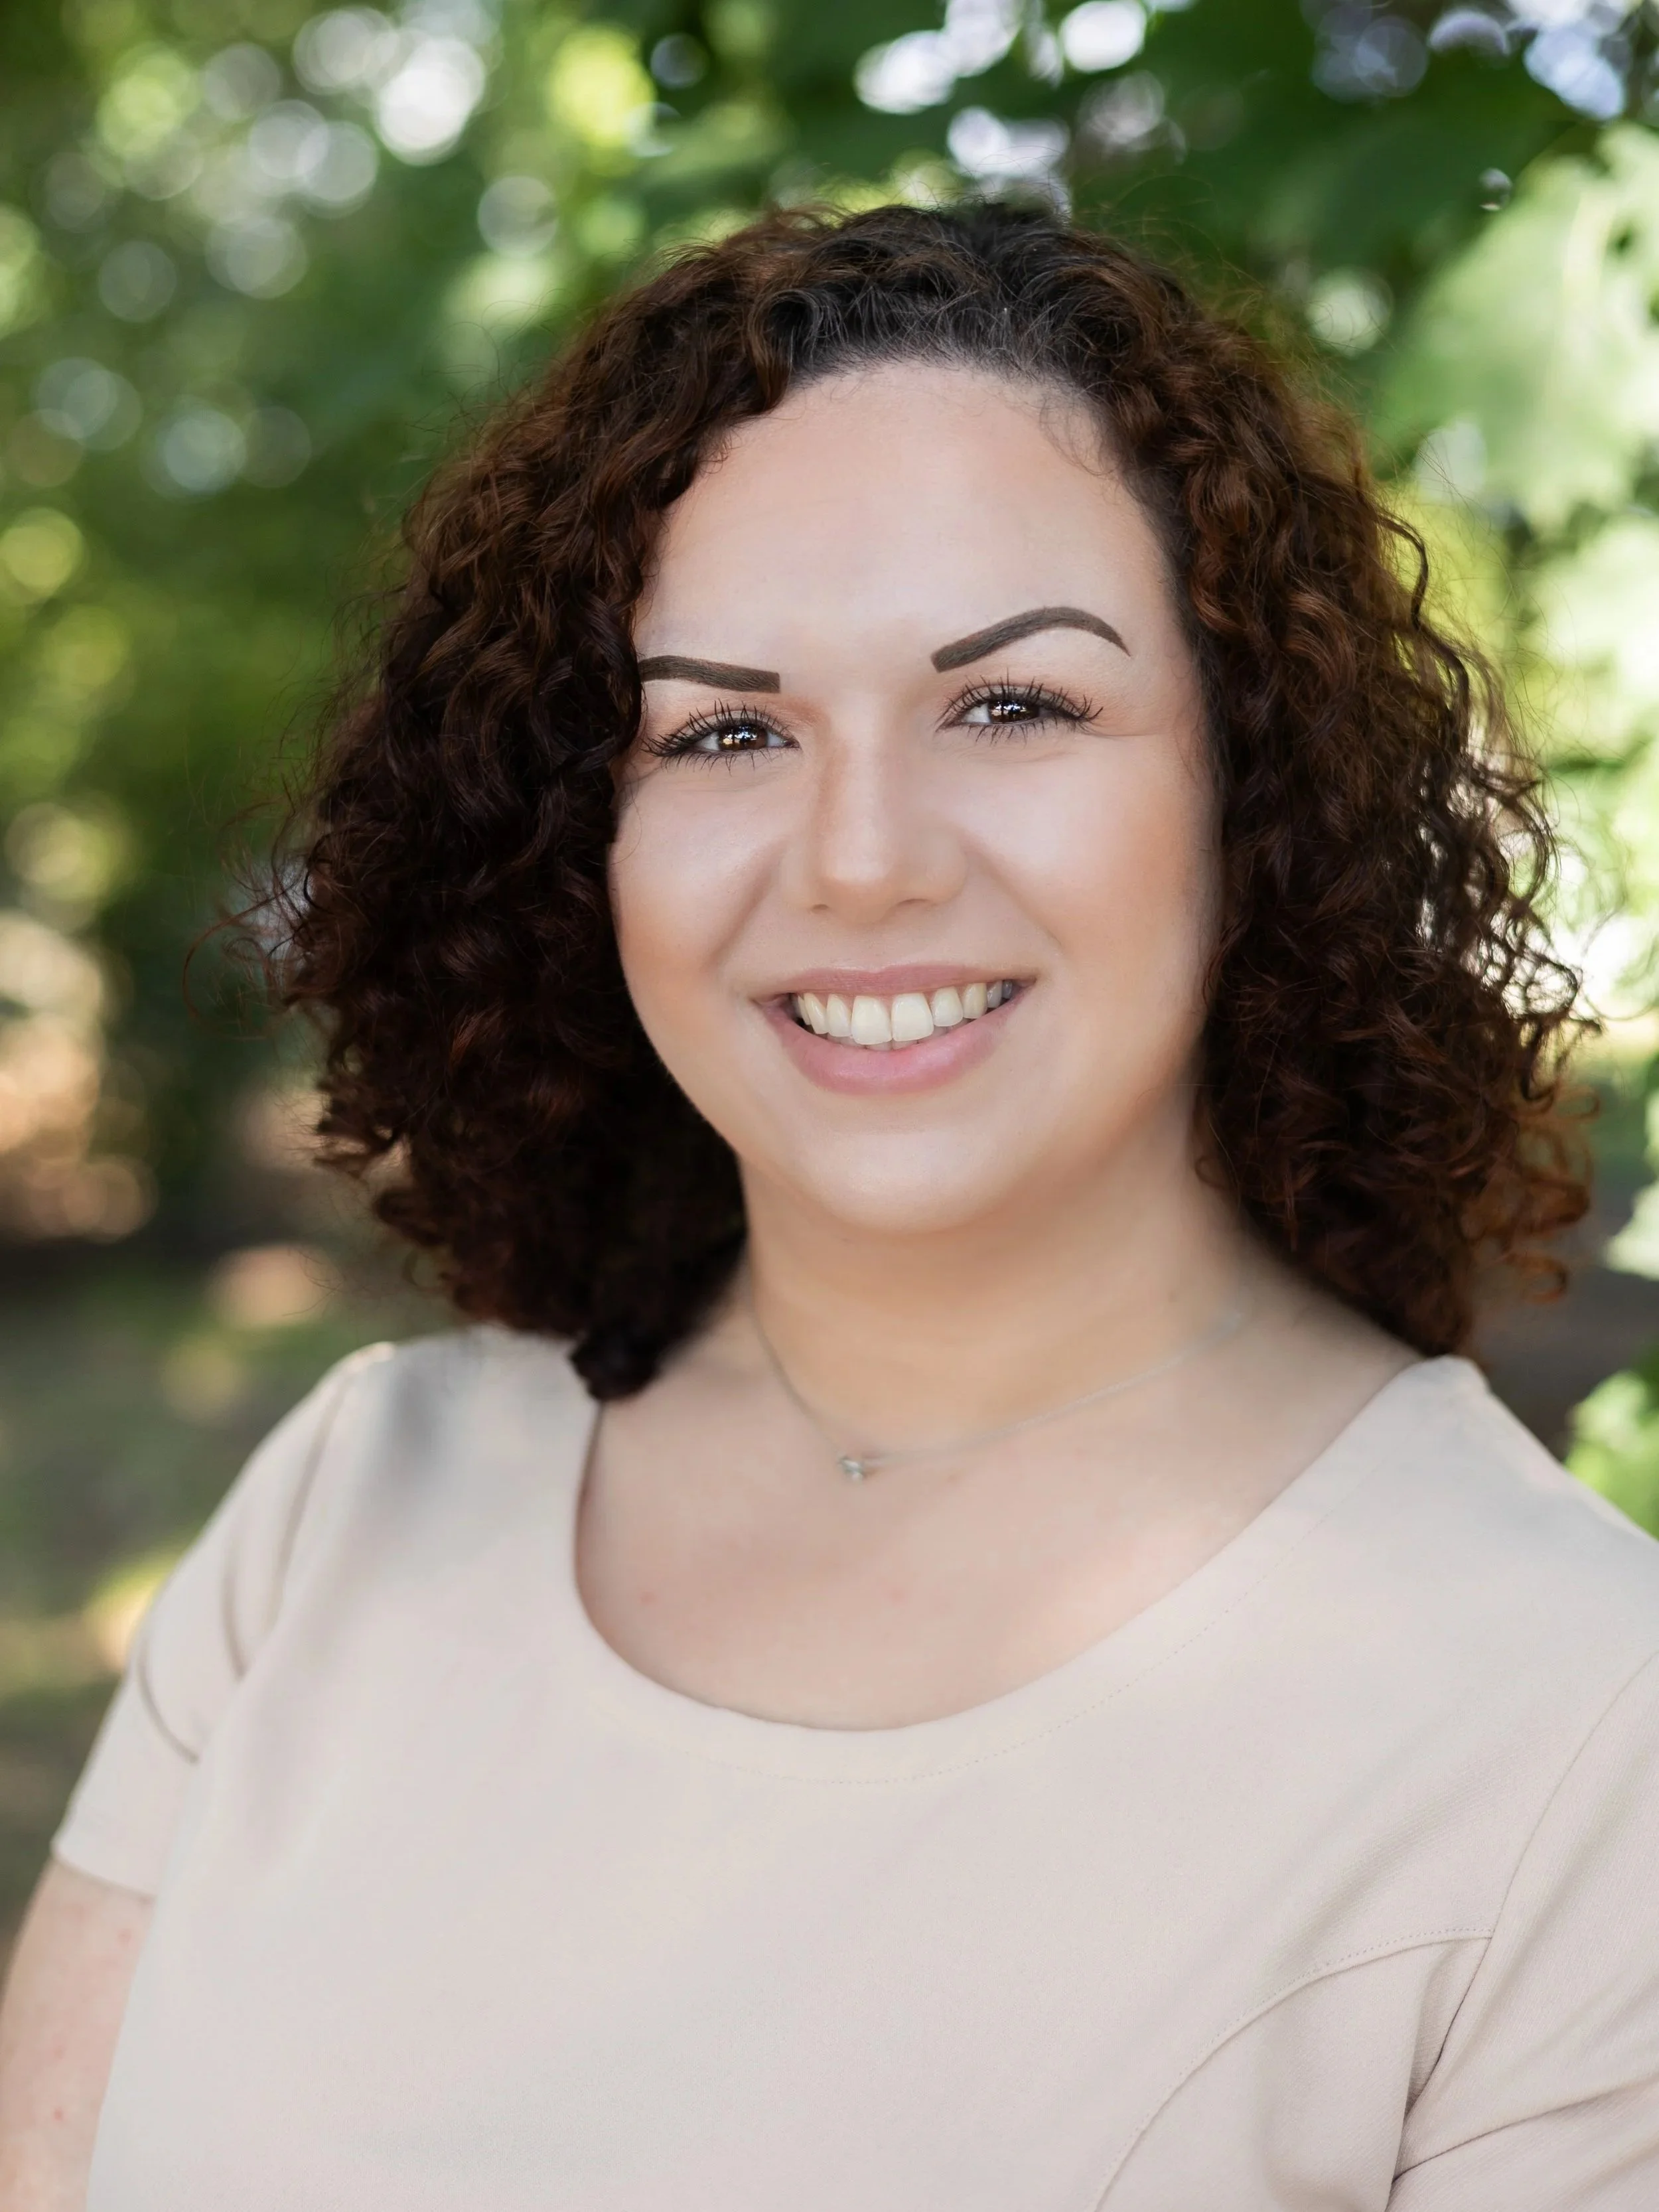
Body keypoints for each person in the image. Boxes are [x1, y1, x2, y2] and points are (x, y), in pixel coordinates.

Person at [1, 200, 1654, 2211]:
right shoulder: (348, 1507)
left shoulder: (1577, 1729)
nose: (858, 858)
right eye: (723, 729)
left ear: (1254, 788)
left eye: (1012, 704)